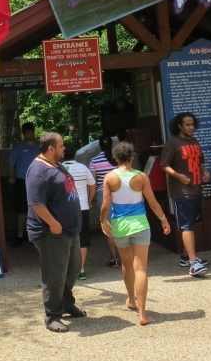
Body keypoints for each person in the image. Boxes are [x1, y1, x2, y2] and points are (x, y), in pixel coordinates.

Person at [100, 141, 171, 325]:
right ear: (132, 157)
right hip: (140, 224)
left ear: (115, 158)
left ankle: (131, 299)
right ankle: (142, 314)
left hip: (119, 225)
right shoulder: (141, 177)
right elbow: (153, 203)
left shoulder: (109, 177)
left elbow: (105, 205)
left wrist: (102, 220)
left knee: (126, 264)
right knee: (141, 269)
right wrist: (163, 218)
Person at [26, 132, 85, 333]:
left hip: (69, 230)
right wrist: (53, 223)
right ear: (51, 148)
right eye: (61, 146)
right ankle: (52, 315)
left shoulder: (55, 164)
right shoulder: (37, 171)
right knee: (55, 275)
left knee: (73, 268)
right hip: (51, 233)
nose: (64, 149)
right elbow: (36, 204)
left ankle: (66, 303)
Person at [162, 112, 210, 276]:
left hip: (196, 189)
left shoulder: (195, 141)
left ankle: (185, 256)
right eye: (187, 125)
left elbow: (200, 161)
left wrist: (205, 171)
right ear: (179, 126)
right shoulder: (172, 143)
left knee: (190, 224)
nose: (191, 127)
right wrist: (177, 175)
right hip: (182, 192)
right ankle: (193, 262)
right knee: (186, 226)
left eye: (192, 124)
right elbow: (164, 165)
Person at [62, 145, 96, 280]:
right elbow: (93, 185)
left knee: (65, 238)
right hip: (82, 207)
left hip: (65, 209)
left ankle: (67, 270)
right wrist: (89, 201)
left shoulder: (59, 168)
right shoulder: (83, 168)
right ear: (75, 154)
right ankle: (81, 269)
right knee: (83, 238)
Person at [90, 136, 121, 269]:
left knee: (108, 226)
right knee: (123, 223)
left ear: (99, 146)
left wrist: (89, 199)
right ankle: (127, 256)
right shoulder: (118, 158)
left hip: (103, 194)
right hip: (120, 193)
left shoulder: (94, 160)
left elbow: (93, 182)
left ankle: (114, 259)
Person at [8, 122, 41, 246]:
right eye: (27, 131)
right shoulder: (18, 147)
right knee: (21, 210)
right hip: (22, 181)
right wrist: (11, 177)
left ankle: (36, 235)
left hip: (37, 182)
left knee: (38, 208)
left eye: (32, 131)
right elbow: (11, 162)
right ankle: (20, 236)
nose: (30, 133)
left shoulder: (40, 146)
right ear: (24, 133)